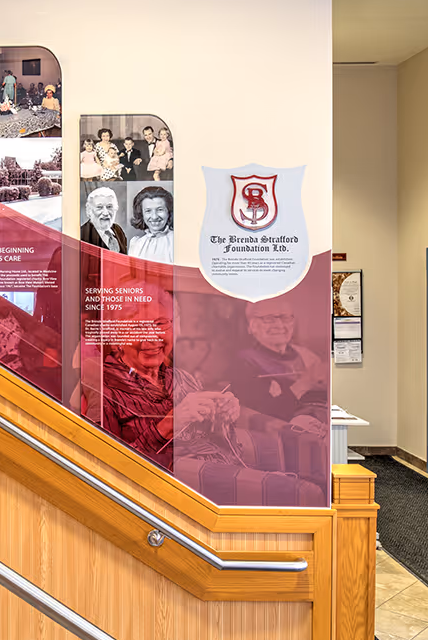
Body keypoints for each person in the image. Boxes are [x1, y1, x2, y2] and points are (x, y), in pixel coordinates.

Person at [97, 284, 239, 471]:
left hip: (218, 477)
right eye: (138, 326)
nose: (152, 337)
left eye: (160, 323)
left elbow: (223, 447)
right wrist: (167, 426)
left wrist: (222, 418)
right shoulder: (104, 388)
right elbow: (107, 467)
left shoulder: (182, 378)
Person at [221, 298, 329, 431]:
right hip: (285, 435)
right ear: (252, 326)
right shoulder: (244, 361)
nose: (279, 325)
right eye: (269, 319)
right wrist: (304, 384)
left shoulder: (306, 355)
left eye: (285, 318)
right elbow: (262, 414)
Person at [127, 185, 174, 263]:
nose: (154, 217)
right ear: (141, 214)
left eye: (160, 210)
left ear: (168, 212)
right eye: (148, 211)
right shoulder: (136, 244)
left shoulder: (177, 241)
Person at [81, 186, 126, 252]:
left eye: (109, 207)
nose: (105, 213)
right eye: (99, 207)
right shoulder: (82, 234)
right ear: (89, 210)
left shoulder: (118, 230)